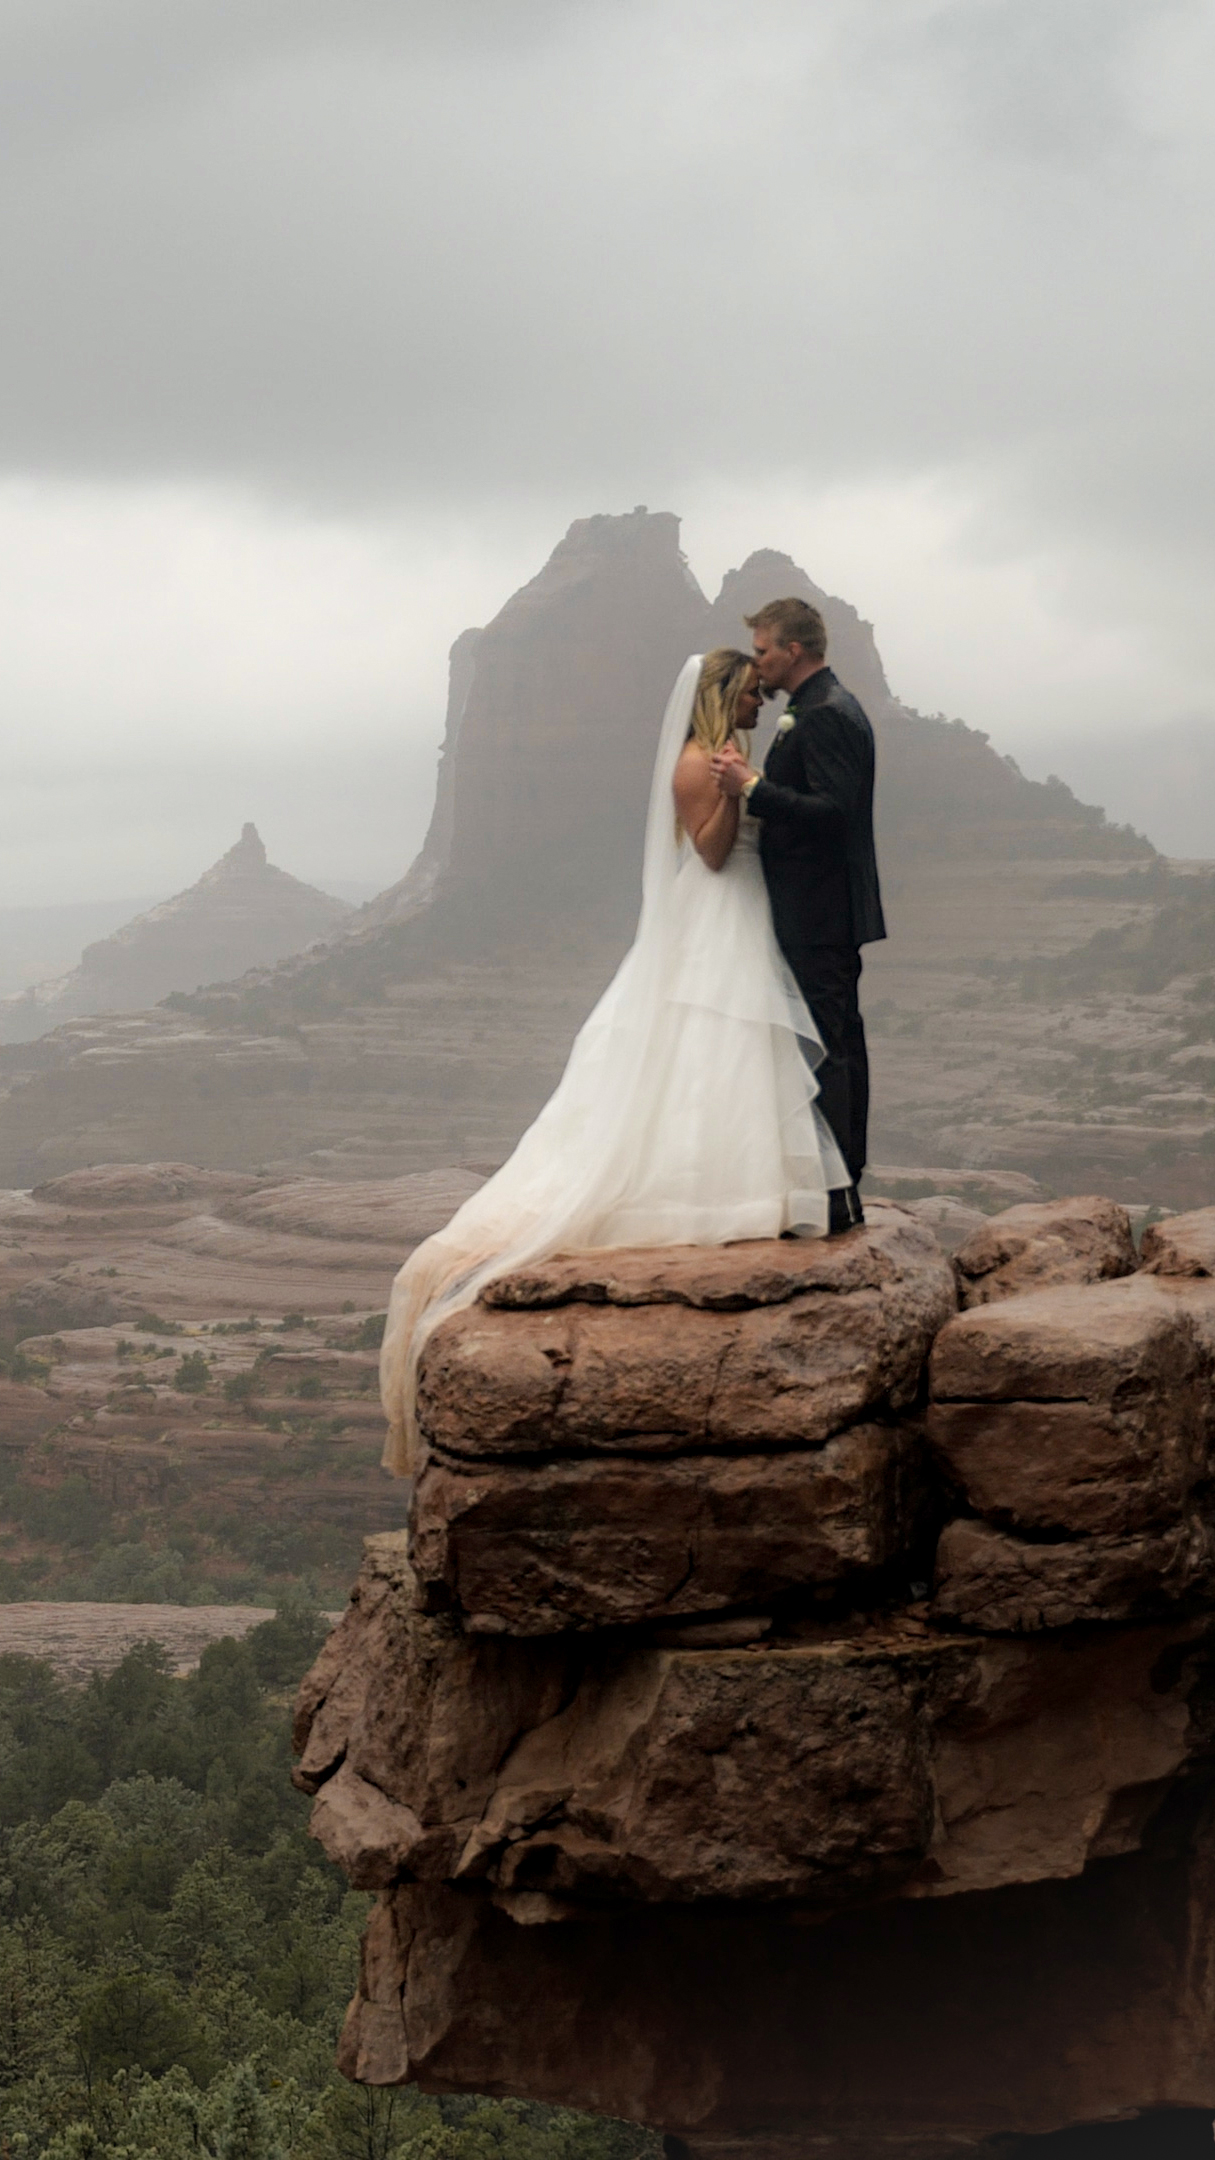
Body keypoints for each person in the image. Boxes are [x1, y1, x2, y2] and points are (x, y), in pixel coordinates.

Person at [379, 647, 849, 1475]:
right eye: (746, 695)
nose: (756, 705)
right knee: (712, 1038)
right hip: (717, 908)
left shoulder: (722, 756)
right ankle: (714, 1191)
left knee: (732, 1049)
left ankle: (749, 1181)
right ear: (719, 698)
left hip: (746, 908)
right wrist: (737, 793)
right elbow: (707, 851)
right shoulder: (695, 765)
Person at [712, 598, 885, 1235]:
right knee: (833, 1042)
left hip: (820, 909)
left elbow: (834, 813)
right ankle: (837, 1188)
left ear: (793, 650)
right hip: (816, 907)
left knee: (828, 1048)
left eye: (762, 651)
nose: (758, 666)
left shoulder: (825, 715)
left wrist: (753, 791)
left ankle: (837, 1193)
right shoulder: (816, 709)